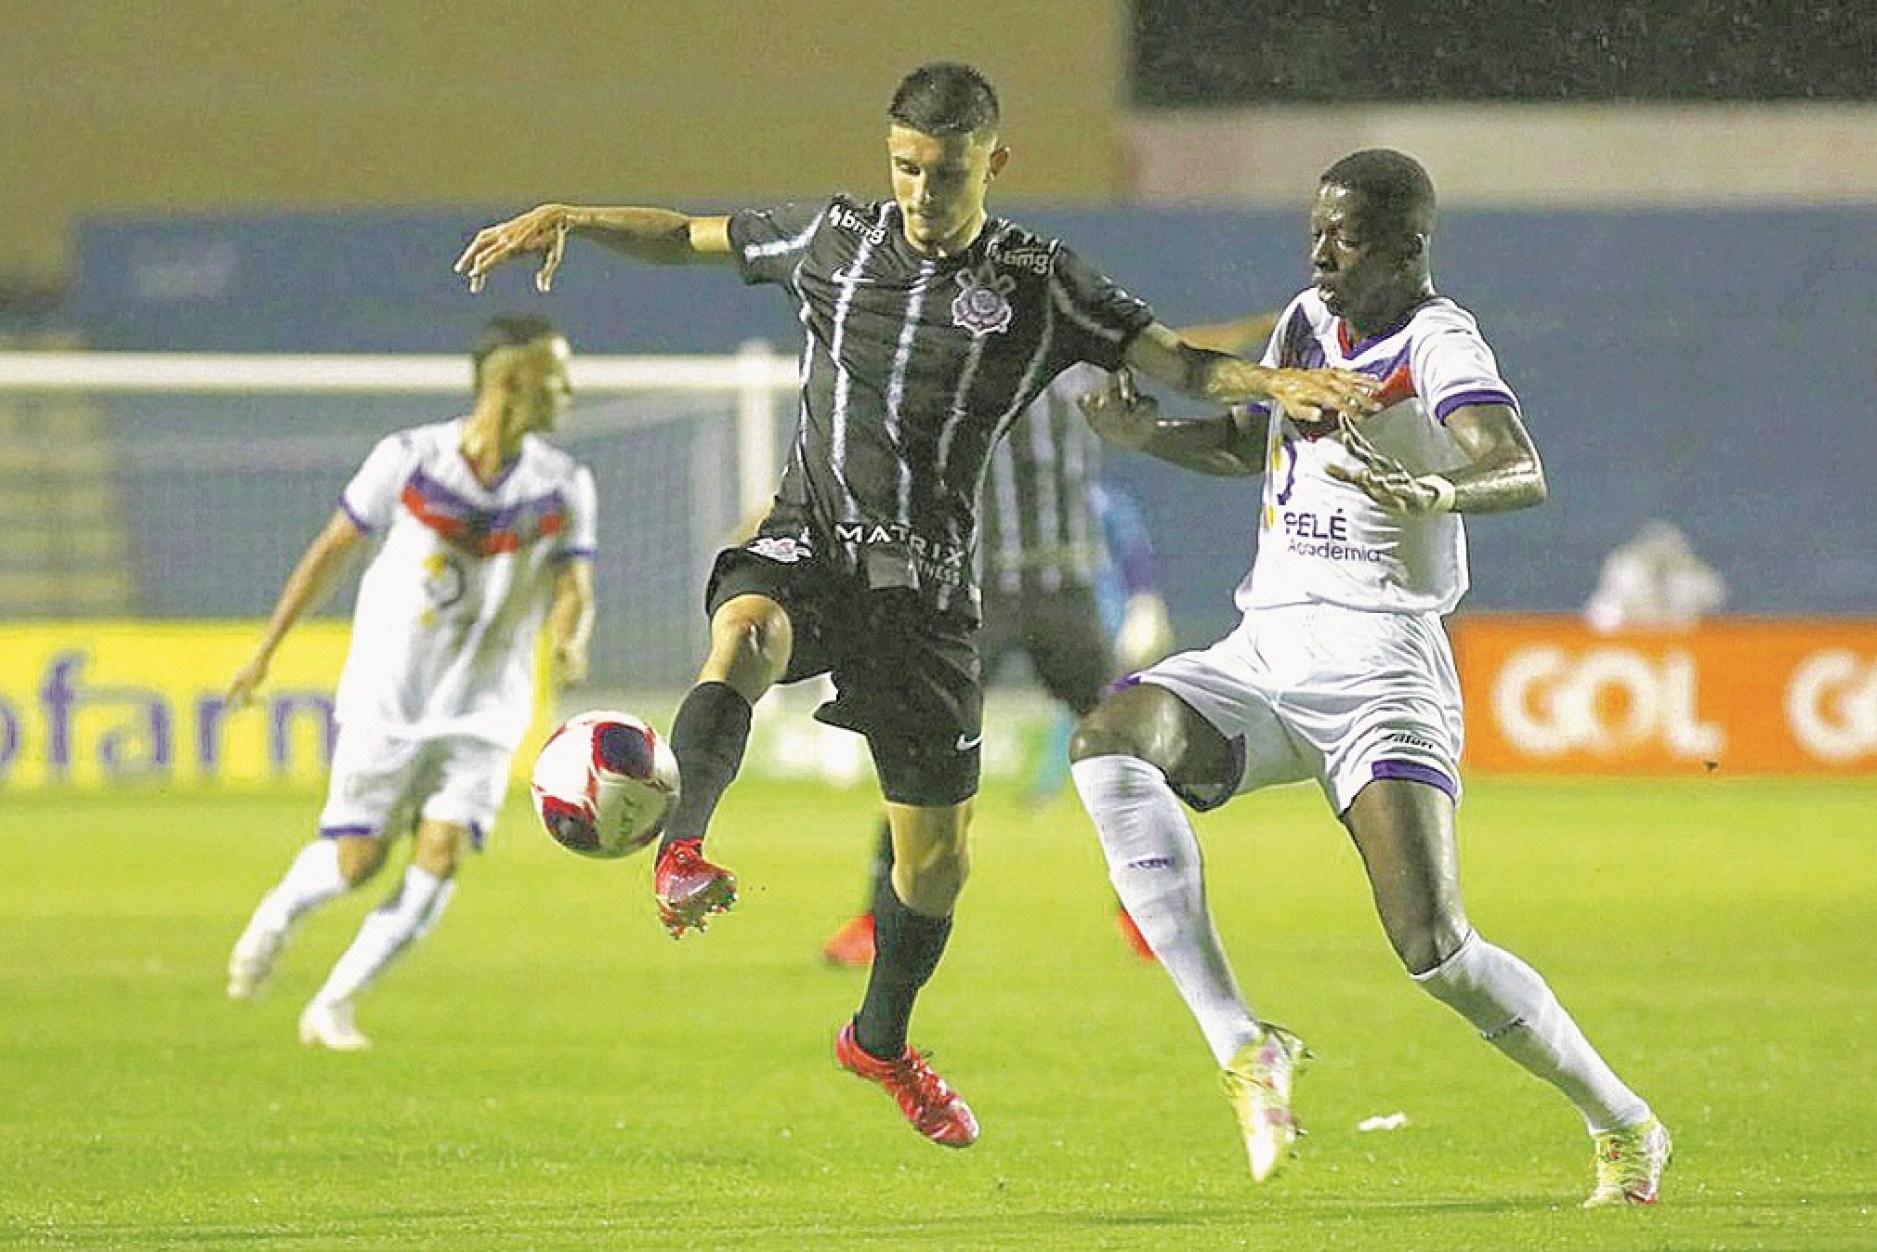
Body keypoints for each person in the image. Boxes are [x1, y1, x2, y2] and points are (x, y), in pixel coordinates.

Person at [453, 62, 1375, 1149]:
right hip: (815, 535)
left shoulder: (1040, 278)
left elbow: (1170, 358)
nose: (920, 193)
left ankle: (880, 1042)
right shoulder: (833, 239)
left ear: (994, 161)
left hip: (931, 589)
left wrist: (1273, 385)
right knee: (744, 631)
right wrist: (576, 216)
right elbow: (690, 235)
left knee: (932, 862)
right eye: (903, 167)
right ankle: (680, 850)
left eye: (942, 172)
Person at [1069, 149, 1672, 1206]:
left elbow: (1516, 462)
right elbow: (1251, 444)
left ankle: (1621, 1119)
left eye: (1342, 235)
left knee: (1433, 949)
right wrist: (1145, 433)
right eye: (1315, 229)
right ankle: (1245, 1042)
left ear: (1405, 247)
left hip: (1381, 667)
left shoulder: (1439, 340)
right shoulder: (1305, 318)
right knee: (1110, 744)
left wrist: (1435, 486)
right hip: (1263, 649)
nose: (1319, 250)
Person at [224, 314, 596, 1051]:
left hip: (487, 707)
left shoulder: (564, 482)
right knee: (357, 862)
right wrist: (267, 649)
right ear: (511, 381)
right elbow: (331, 551)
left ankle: (334, 1003)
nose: (569, 390)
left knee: (442, 852)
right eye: (557, 375)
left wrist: (570, 637)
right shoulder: (408, 459)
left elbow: (573, 583)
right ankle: (276, 915)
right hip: (389, 697)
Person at [815, 363, 1175, 967]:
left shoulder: (1085, 361)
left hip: (1066, 590)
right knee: (924, 749)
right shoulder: (956, 361)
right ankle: (878, 919)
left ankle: (1147, 909)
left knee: (1123, 746)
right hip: (978, 591)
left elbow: (1175, 352)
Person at [1583, 519, 1726, 632]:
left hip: (1682, 647)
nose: (1660, 555)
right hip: (1632, 642)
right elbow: (1601, 614)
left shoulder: (1691, 577)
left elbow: (1715, 597)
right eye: (1655, 550)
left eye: (1668, 550)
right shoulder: (1626, 569)